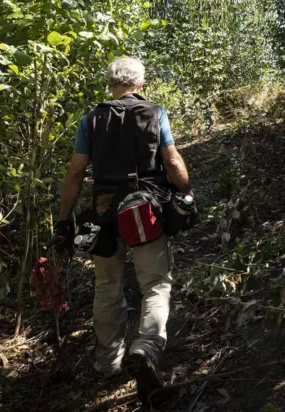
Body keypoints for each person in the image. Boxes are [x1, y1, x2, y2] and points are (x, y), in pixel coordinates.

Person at [55, 56, 193, 401]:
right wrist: (187, 192)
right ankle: (146, 347)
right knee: (156, 284)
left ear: (110, 84)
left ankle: (108, 363)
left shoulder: (90, 121)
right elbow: (172, 160)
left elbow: (75, 173)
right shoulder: (155, 113)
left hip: (104, 214)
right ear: (140, 84)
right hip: (146, 211)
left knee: (107, 286)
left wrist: (63, 219)